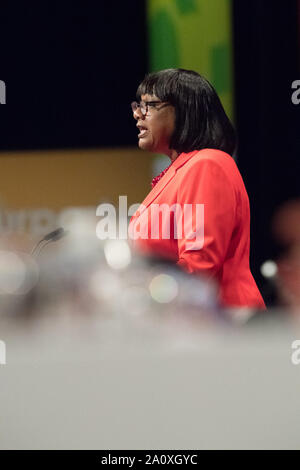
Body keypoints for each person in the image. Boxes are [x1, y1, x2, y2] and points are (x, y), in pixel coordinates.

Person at [128, 68, 265, 309]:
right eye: (137, 105)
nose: (138, 114)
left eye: (149, 105)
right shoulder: (179, 171)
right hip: (190, 320)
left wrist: (143, 300)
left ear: (183, 110)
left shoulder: (207, 164)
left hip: (223, 322)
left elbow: (199, 261)